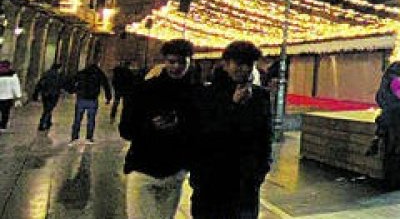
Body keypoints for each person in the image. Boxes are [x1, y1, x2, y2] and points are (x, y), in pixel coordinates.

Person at [190, 40, 273, 218]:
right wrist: (233, 105)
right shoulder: (206, 95)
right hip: (211, 183)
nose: (243, 69)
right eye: (238, 63)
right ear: (226, 64)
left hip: (245, 184)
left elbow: (265, 137)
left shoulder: (260, 97)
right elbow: (203, 135)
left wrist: (260, 171)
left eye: (248, 64)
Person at [120, 38, 197, 218]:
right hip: (143, 170)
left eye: (182, 62)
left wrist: (180, 126)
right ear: (165, 61)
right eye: (172, 62)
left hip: (174, 173)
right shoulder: (144, 89)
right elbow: (126, 129)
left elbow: (198, 132)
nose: (176, 67)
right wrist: (150, 125)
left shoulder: (195, 94)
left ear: (189, 62)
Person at [364, 61, 400, 190]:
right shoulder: (396, 81)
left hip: (386, 118)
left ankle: (388, 180)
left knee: (389, 150)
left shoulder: (385, 81)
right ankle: (394, 181)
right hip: (396, 118)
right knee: (397, 150)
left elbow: (379, 99)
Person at [69, 62, 112, 143]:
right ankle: (89, 137)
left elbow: (72, 81)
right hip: (92, 99)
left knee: (77, 119)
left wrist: (73, 90)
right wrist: (108, 97)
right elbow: (106, 85)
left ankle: (74, 136)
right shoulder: (99, 74)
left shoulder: (82, 72)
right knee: (91, 119)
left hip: (81, 98)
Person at [32, 63, 66, 132]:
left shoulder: (46, 73)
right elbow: (62, 85)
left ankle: (48, 122)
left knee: (47, 108)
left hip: (45, 94)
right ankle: (41, 124)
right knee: (48, 109)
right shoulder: (58, 76)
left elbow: (39, 83)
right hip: (53, 94)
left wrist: (36, 94)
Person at [0, 60, 21, 131]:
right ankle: (3, 126)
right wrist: (18, 97)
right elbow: (16, 87)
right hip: (8, 97)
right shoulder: (13, 75)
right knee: (5, 112)